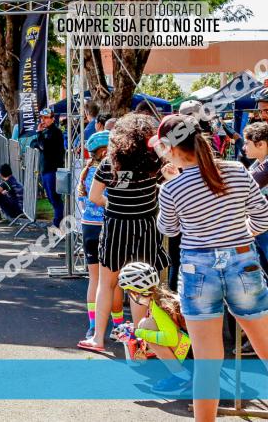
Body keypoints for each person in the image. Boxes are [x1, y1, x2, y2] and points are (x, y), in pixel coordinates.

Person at [153, 114, 268, 421]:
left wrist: (172, 181)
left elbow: (168, 229)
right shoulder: (237, 171)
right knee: (265, 346)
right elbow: (262, 217)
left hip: (197, 268)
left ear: (170, 148)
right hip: (242, 261)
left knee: (207, 361)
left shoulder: (172, 188)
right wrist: (240, 234)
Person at [78, 113, 170, 353]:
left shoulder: (110, 163)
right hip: (146, 227)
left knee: (106, 284)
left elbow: (94, 196)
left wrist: (112, 204)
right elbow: (170, 184)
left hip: (116, 227)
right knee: (141, 286)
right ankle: (141, 342)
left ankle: (98, 337)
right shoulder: (153, 163)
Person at [117, 262, 193, 394]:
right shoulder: (159, 297)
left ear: (135, 292)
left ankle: (183, 377)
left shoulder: (158, 307)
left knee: (147, 330)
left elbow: (170, 339)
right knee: (145, 325)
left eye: (128, 291)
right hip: (193, 345)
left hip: (190, 349)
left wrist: (138, 333)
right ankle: (186, 373)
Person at [76, 130, 123, 339]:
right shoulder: (112, 172)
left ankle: (93, 325)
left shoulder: (86, 173)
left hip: (88, 227)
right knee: (113, 281)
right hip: (109, 226)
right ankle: (118, 325)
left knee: (94, 279)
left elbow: (83, 201)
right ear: (105, 150)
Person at [30, 108, 65, 228]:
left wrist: (39, 134)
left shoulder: (55, 132)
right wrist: (39, 135)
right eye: (41, 118)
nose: (43, 120)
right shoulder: (46, 132)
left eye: (46, 118)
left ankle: (58, 222)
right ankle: (58, 220)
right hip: (46, 169)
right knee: (50, 197)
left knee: (54, 197)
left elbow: (43, 146)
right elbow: (34, 143)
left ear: (52, 119)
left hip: (53, 170)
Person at [242, 121, 268, 275]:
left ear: (261, 144)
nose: (244, 147)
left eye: (247, 143)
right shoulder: (259, 164)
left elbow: (246, 183)